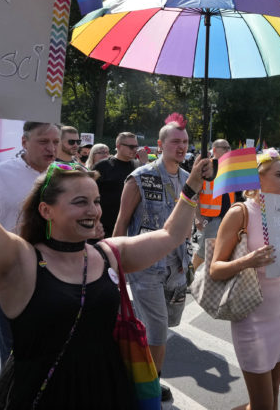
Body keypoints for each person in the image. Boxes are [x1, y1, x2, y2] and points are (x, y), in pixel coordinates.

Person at [0, 88, 210, 409]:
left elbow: (171, 235)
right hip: (41, 395)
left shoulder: (107, 255)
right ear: (46, 210)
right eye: (80, 201)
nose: (94, 210)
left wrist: (191, 186)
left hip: (106, 392)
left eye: (96, 201)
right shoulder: (20, 260)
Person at [210, 149, 280, 410]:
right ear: (257, 178)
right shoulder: (240, 212)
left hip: (279, 314)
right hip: (250, 316)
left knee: (271, 398)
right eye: (279, 174)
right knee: (263, 405)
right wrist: (248, 261)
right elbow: (215, 269)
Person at [0, 121, 60, 366]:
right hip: (11, 275)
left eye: (56, 142)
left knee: (53, 348)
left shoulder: (66, 176)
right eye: (43, 141)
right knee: (15, 349)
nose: (51, 147)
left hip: (59, 274)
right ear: (24, 142)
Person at [112, 113, 193, 403]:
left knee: (160, 326)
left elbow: (186, 225)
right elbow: (121, 224)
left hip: (176, 267)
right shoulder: (139, 177)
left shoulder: (188, 179)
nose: (181, 147)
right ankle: (151, 385)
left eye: (185, 141)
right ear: (160, 144)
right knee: (158, 330)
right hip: (145, 266)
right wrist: (114, 265)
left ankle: (136, 374)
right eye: (175, 141)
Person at [193, 139, 234, 269]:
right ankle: (191, 278)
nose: (229, 150)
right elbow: (195, 195)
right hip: (210, 219)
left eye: (229, 148)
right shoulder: (205, 167)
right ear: (215, 150)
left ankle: (211, 280)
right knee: (203, 252)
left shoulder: (230, 168)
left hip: (227, 217)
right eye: (225, 148)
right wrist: (197, 218)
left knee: (222, 252)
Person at [94, 132, 138, 238]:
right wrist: (95, 222)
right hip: (105, 228)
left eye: (136, 146)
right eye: (131, 147)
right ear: (118, 146)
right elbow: (90, 196)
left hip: (130, 228)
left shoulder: (138, 167)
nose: (135, 150)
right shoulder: (103, 166)